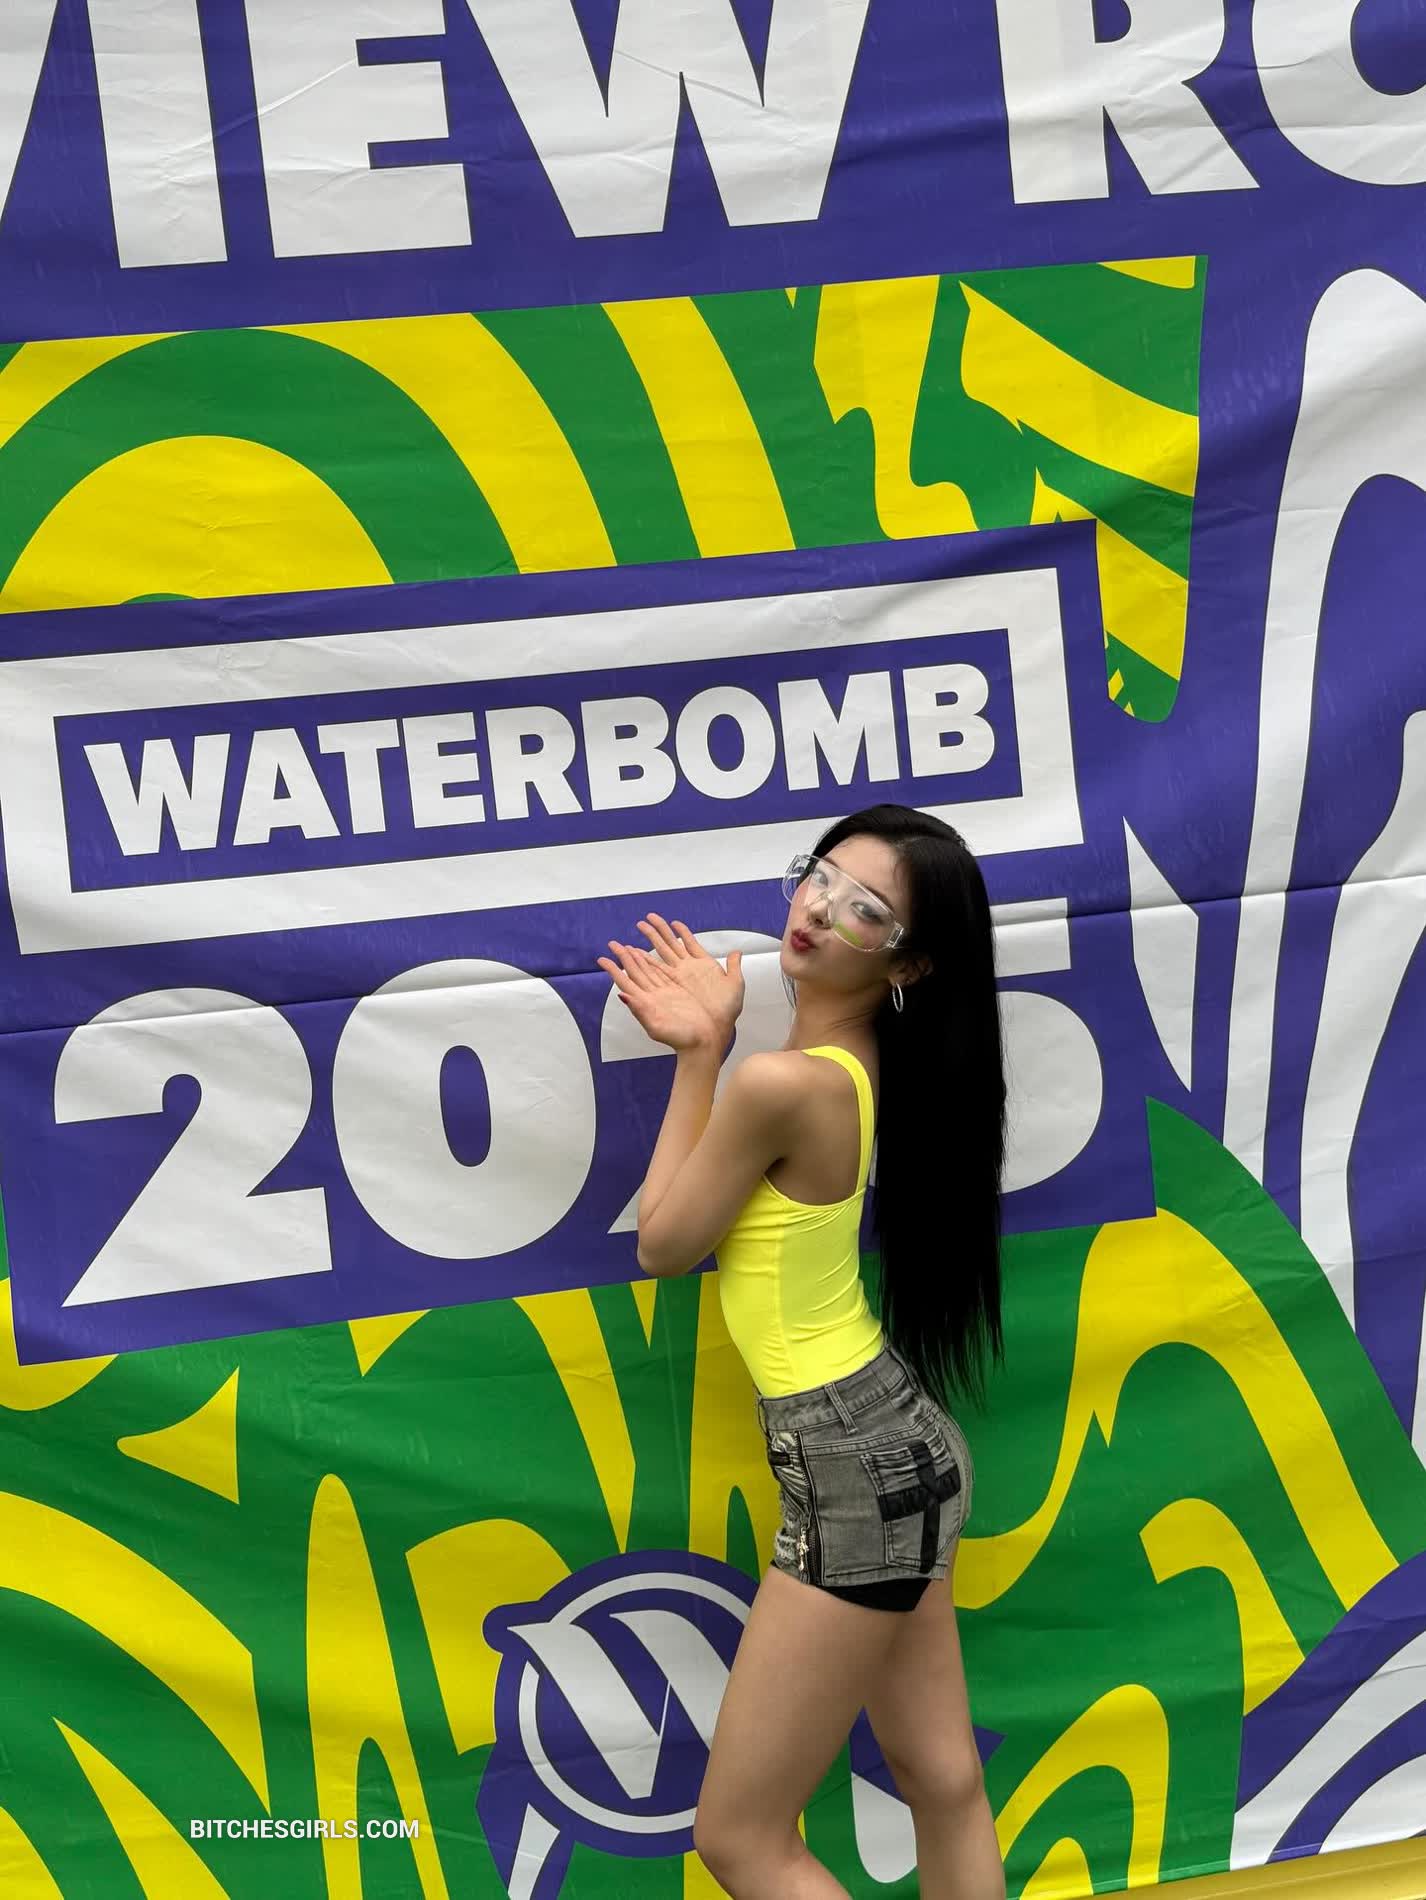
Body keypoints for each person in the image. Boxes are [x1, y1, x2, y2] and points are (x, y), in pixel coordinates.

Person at [595, 802, 1008, 1900]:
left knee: (740, 1839)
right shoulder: (855, 1061)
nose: (819, 910)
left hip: (852, 1464)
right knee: (942, 1778)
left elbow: (663, 1244)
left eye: (864, 909)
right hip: (901, 1442)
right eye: (820, 877)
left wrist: (701, 1053)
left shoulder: (785, 1083)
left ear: (908, 963)